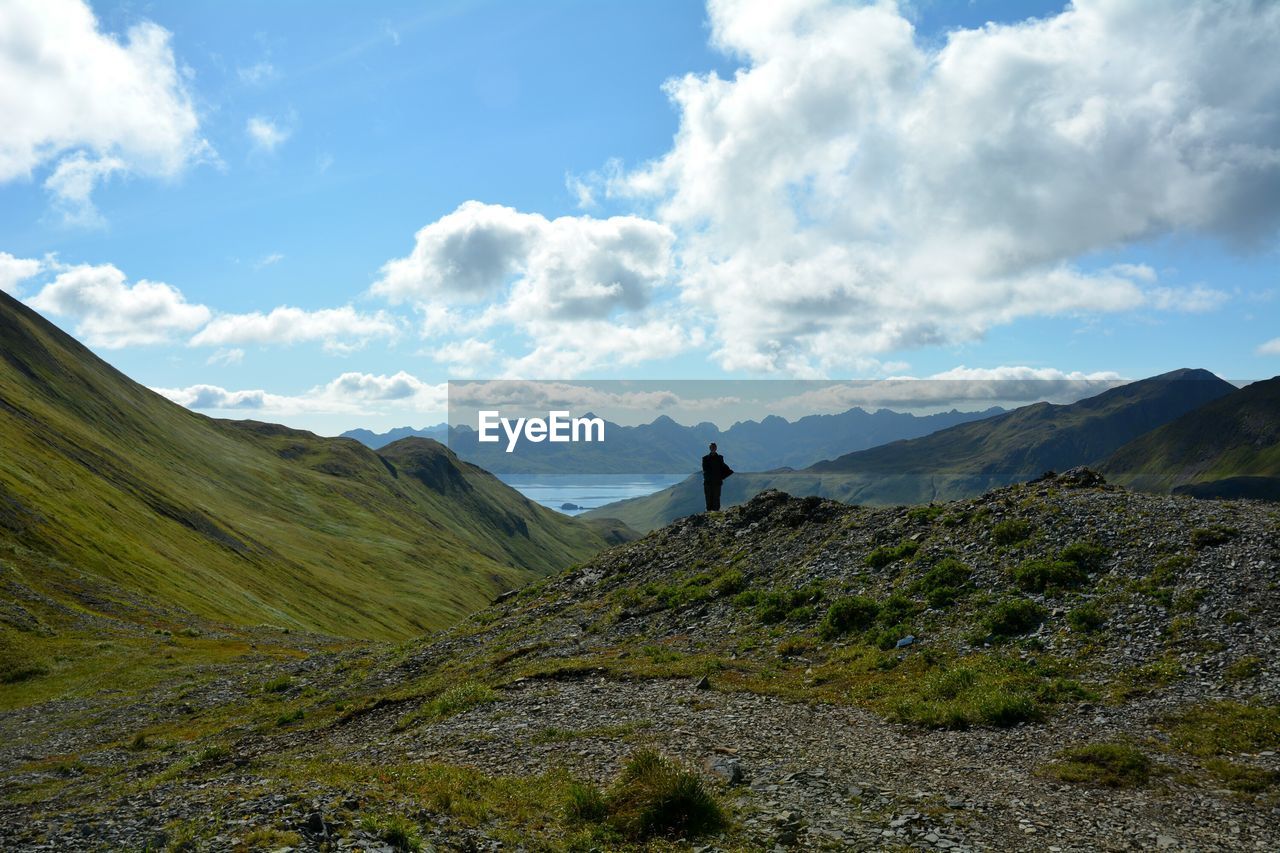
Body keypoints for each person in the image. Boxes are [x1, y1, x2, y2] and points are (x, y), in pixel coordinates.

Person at [701, 442, 733, 512]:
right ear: (710, 448)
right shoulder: (705, 458)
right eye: (711, 447)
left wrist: (721, 477)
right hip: (708, 482)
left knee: (716, 498)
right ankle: (709, 513)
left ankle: (716, 512)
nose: (713, 449)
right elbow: (705, 469)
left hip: (716, 482)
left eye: (714, 447)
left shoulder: (720, 458)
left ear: (716, 448)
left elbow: (725, 469)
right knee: (708, 498)